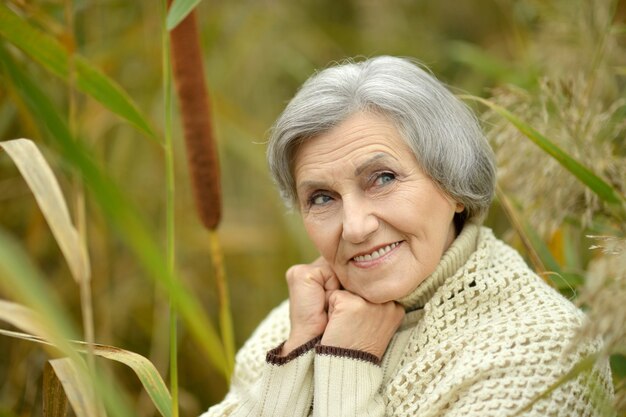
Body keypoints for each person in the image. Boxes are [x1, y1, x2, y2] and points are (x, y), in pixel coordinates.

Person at [202, 56, 613, 416]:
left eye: (382, 178)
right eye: (322, 197)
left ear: (452, 185)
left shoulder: (542, 348)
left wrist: (347, 364)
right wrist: (298, 352)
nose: (356, 226)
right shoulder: (290, 326)